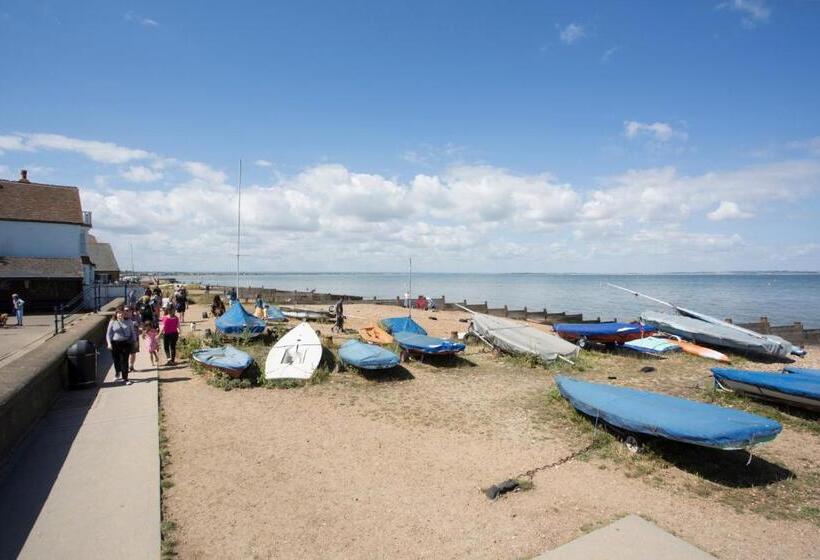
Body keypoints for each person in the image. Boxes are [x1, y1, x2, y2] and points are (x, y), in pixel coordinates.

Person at [106, 306, 138, 384]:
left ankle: (125, 378)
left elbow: (132, 332)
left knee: (124, 361)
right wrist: (109, 343)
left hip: (125, 343)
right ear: (116, 314)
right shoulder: (112, 321)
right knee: (116, 360)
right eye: (118, 313)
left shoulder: (129, 321)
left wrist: (135, 341)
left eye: (122, 313)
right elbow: (108, 334)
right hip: (115, 343)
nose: (120, 314)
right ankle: (117, 373)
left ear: (124, 313)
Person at [125, 306, 140, 372]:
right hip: (125, 339)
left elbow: (140, 324)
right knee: (125, 354)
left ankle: (131, 366)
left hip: (135, 337)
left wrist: (137, 325)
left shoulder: (136, 316)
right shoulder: (122, 318)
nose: (126, 312)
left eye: (128, 310)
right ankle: (126, 367)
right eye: (125, 310)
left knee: (133, 353)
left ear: (131, 311)